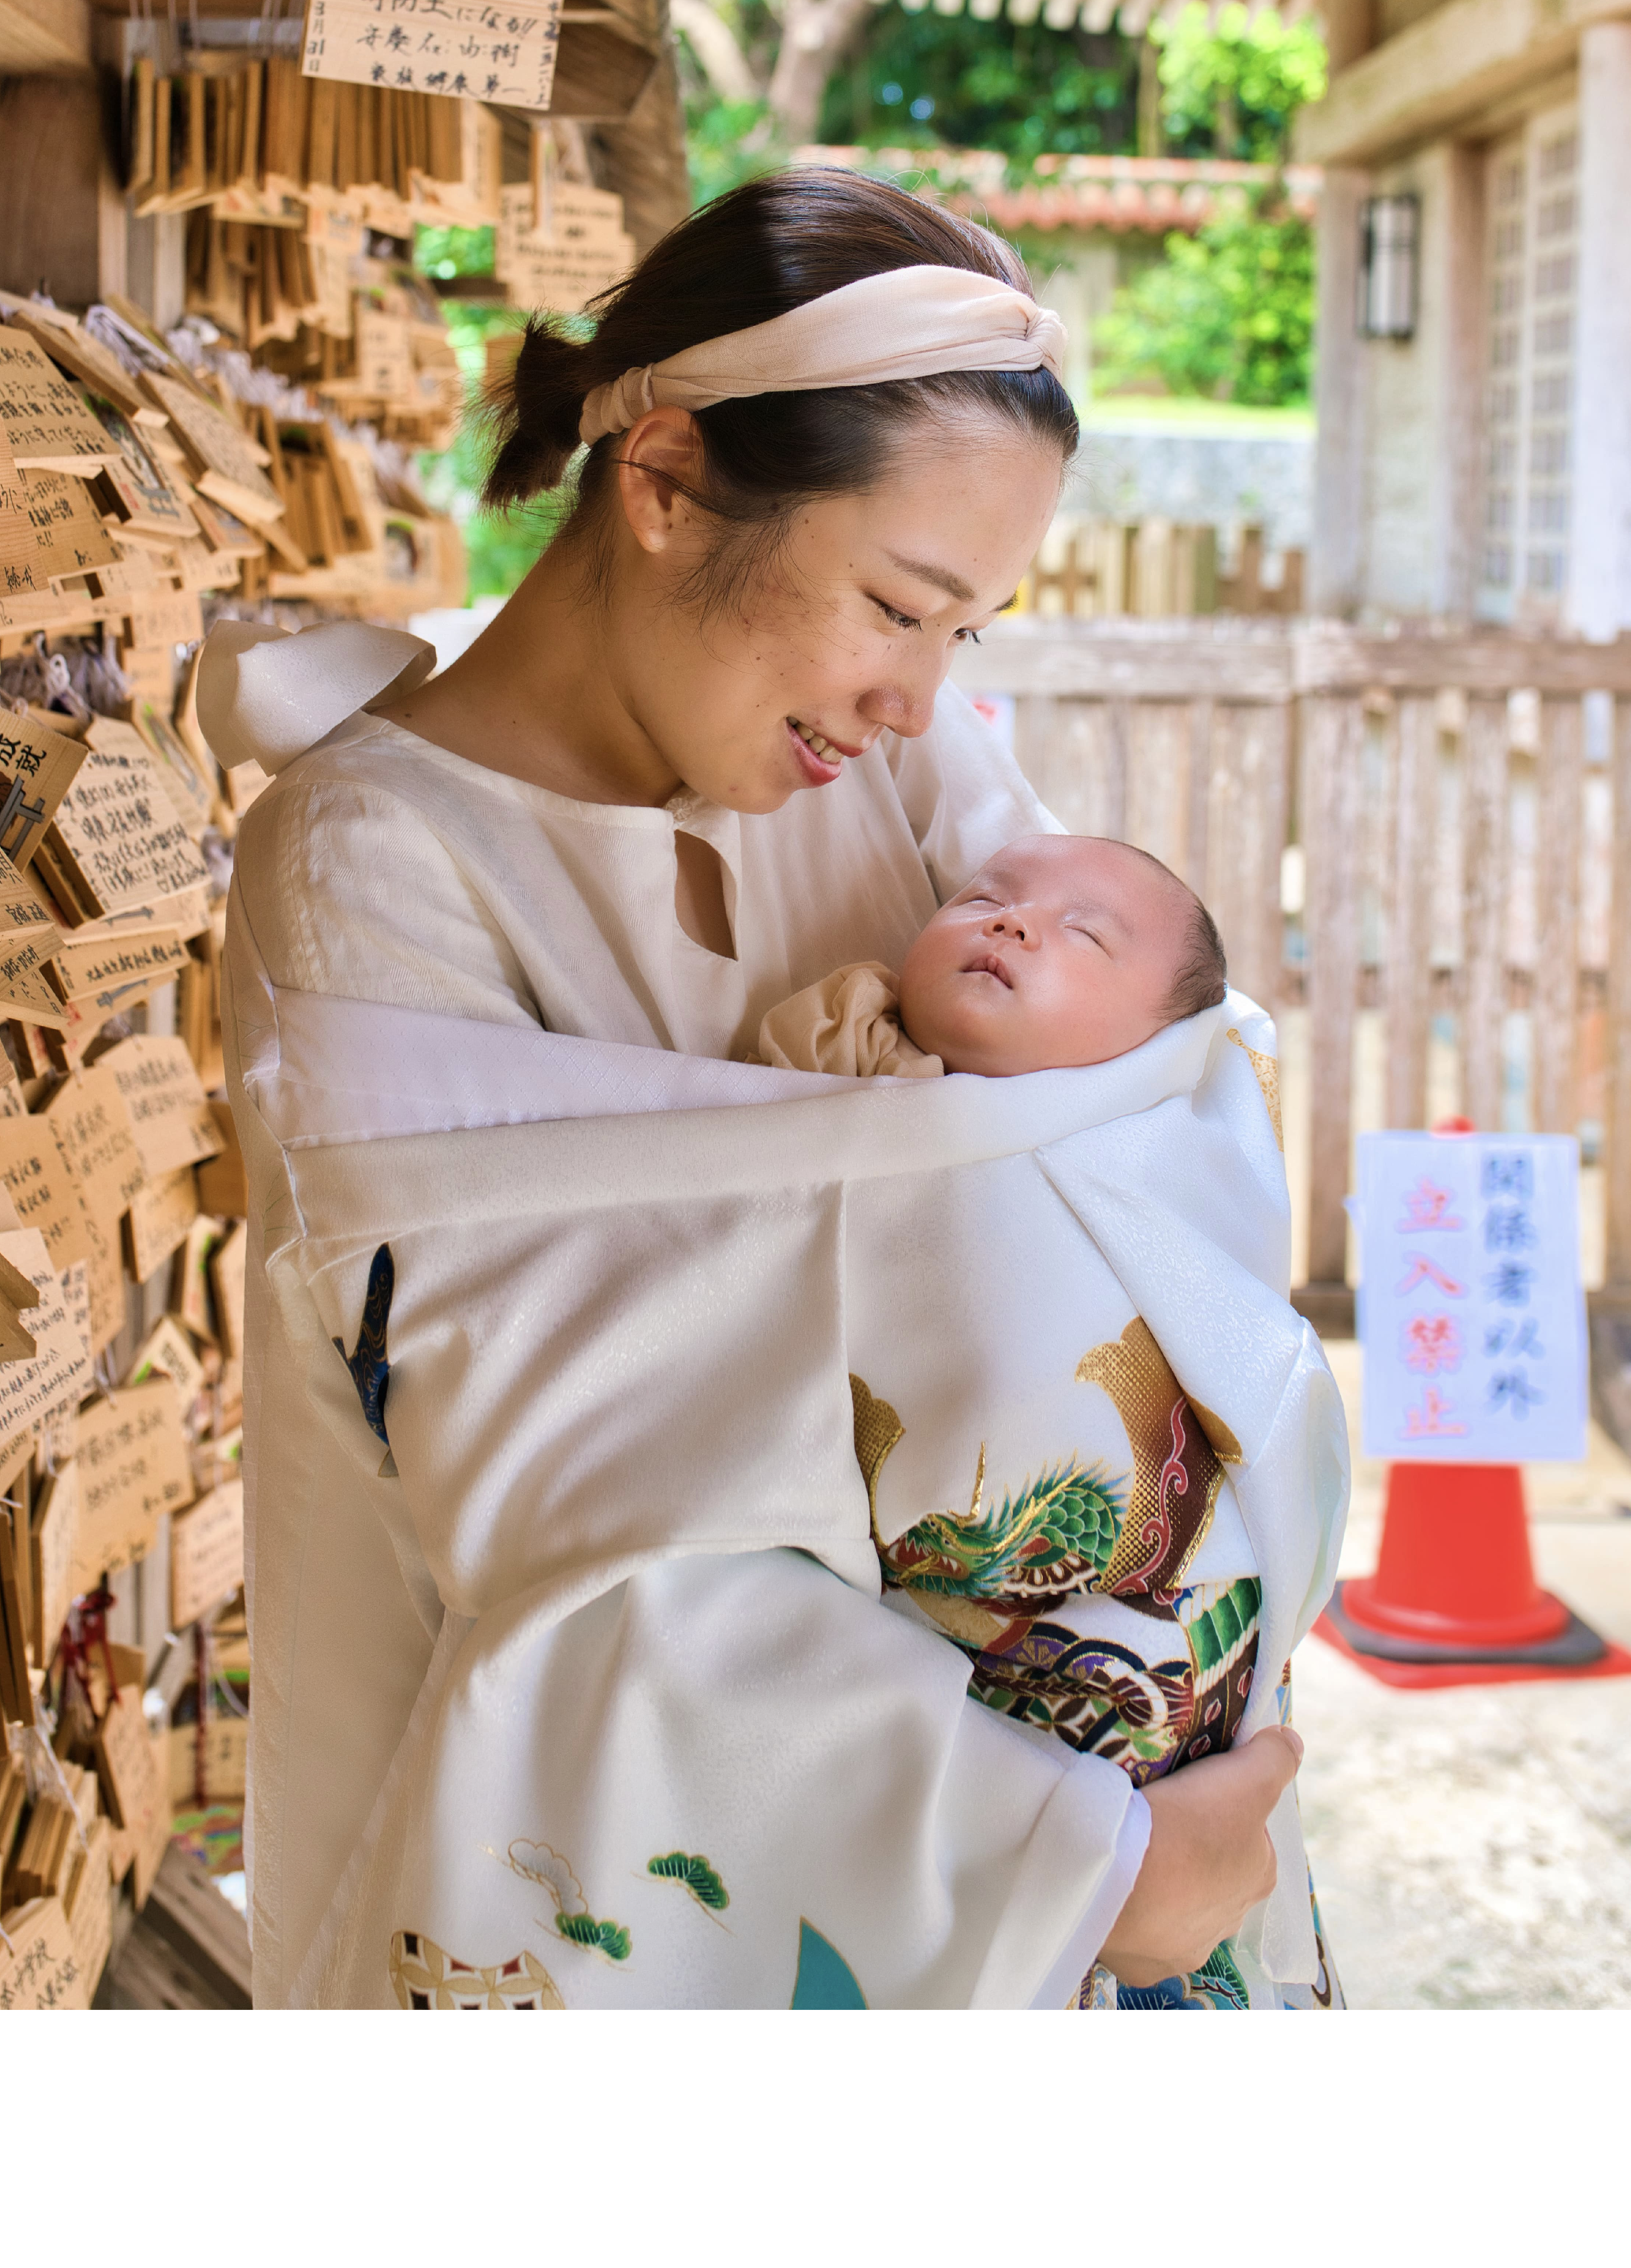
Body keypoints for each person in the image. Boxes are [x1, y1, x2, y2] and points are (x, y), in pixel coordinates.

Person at [207, 172, 1318, 2009]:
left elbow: (1145, 1128)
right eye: (896, 602)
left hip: (1114, 1749)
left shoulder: (894, 769)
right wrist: (1083, 1859)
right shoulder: (375, 866)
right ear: (660, 478)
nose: (920, 698)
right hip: (657, 1871)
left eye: (967, 632)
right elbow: (570, 1501)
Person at [758, 833, 1228, 1079]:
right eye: (985, 899)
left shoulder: (1135, 1132)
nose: (1012, 921)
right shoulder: (843, 1031)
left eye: (1085, 933)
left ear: (1161, 1044)